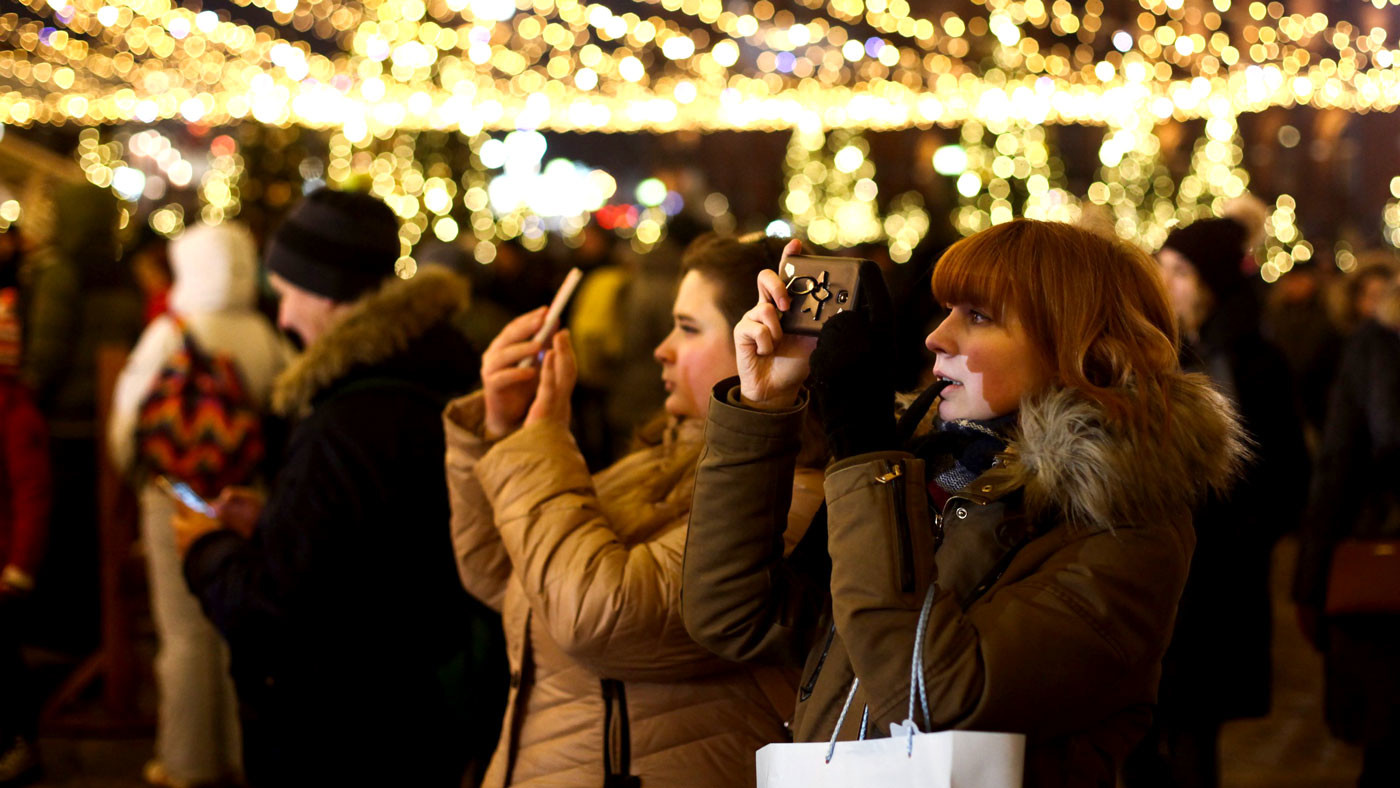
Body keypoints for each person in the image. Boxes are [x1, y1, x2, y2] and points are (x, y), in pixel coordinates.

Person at [683, 219, 1248, 787]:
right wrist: (762, 406)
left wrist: (868, 457)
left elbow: (933, 695)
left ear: (1078, 350)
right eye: (947, 309)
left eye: (977, 316)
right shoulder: (937, 470)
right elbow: (733, 616)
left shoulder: (1124, 523)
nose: (937, 336)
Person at [443, 234, 825, 787]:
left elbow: (599, 619)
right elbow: (501, 574)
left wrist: (539, 444)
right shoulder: (659, 455)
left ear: (771, 341)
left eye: (689, 328)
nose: (661, 349)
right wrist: (499, 434)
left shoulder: (792, 495)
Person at [170, 189, 504, 787]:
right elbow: (370, 539)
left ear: (326, 290)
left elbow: (279, 608)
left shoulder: (348, 420)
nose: (283, 316)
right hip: (418, 714)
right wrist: (275, 521)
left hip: (343, 728)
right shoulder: (433, 373)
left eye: (289, 292)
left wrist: (205, 549)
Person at [1122, 217, 1309, 788]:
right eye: (1162, 266)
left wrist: (1242, 534)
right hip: (1149, 569)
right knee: (1135, 727)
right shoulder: (1147, 356)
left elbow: (1288, 475)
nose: (1165, 280)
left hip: (1220, 576)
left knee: (1194, 730)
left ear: (1210, 283)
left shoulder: (1255, 363)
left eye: (1180, 271)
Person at [108, 222, 292, 788]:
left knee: (183, 632)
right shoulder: (265, 335)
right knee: (242, 626)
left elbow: (126, 424)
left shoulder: (170, 332)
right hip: (246, 497)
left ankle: (187, 761)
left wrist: (136, 478)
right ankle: (243, 755)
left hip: (175, 499)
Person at [1293, 269, 1400, 788]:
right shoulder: (1371, 347)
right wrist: (1311, 582)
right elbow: (1336, 466)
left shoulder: (1374, 345)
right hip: (1382, 569)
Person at [0, 233, 50, 787]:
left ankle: (20, 741)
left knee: (6, 666)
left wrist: (20, 566)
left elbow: (32, 493)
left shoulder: (16, 417)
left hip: (4, 570)